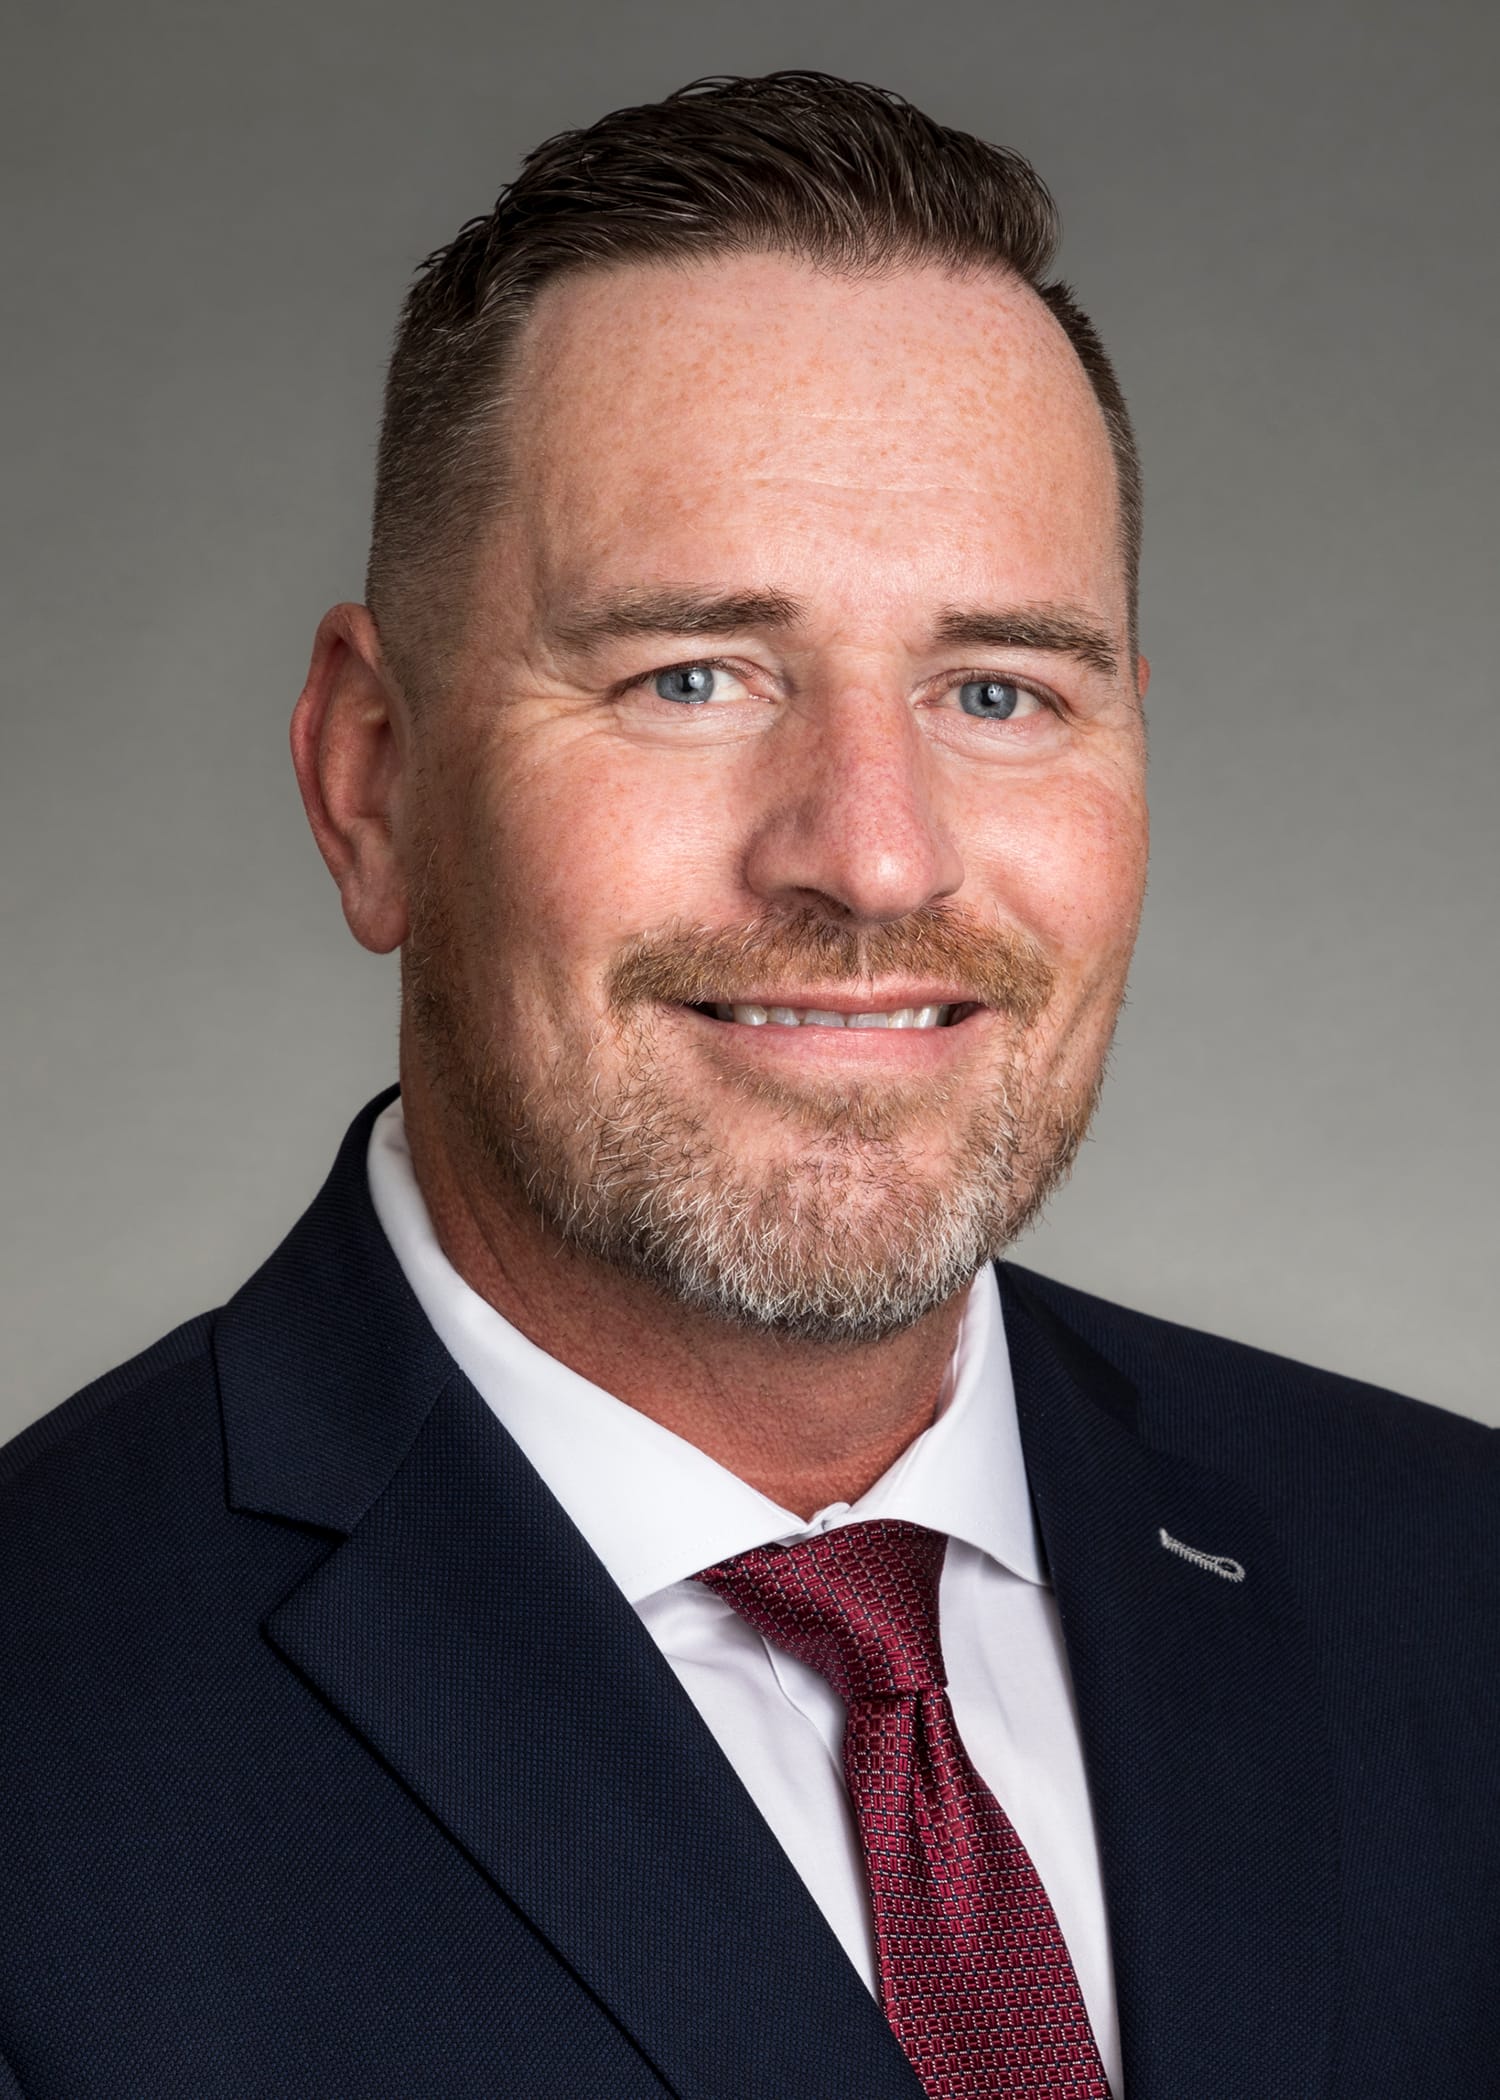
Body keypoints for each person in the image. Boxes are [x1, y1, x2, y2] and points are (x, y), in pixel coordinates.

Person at [0, 69, 1494, 2100]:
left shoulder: (1453, 1589)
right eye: (691, 677)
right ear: (374, 782)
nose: (872, 854)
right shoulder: (45, 1743)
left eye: (998, 691)